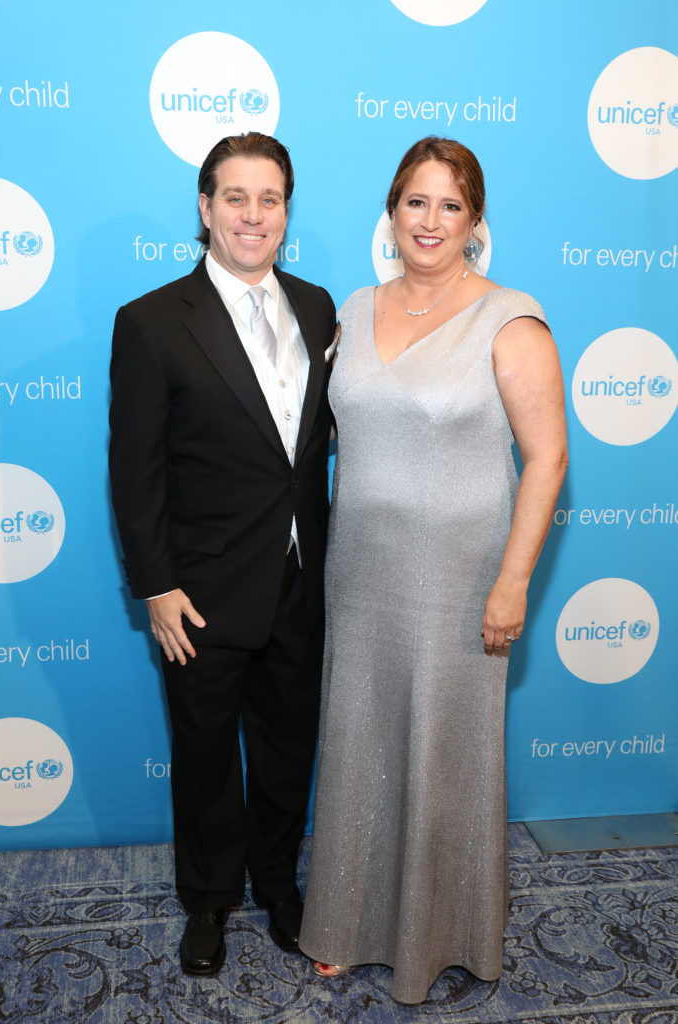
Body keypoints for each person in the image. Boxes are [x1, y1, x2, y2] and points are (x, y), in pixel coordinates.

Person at [299, 136, 568, 1003]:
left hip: (459, 581)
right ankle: (346, 920)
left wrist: (512, 581)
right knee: (360, 743)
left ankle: (439, 936)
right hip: (359, 573)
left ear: (474, 222)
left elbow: (548, 458)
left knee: (444, 755)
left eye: (450, 205)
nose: (430, 220)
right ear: (391, 212)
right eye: (415, 201)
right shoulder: (353, 308)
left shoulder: (510, 319)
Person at [109, 132, 337, 977]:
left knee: (287, 748)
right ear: (205, 209)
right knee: (205, 755)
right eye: (234, 197)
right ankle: (207, 901)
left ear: (285, 212)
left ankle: (277, 885)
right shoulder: (152, 321)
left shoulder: (317, 307)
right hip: (199, 593)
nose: (252, 214)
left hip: (301, 580)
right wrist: (156, 585)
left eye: (269, 199)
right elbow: (134, 469)